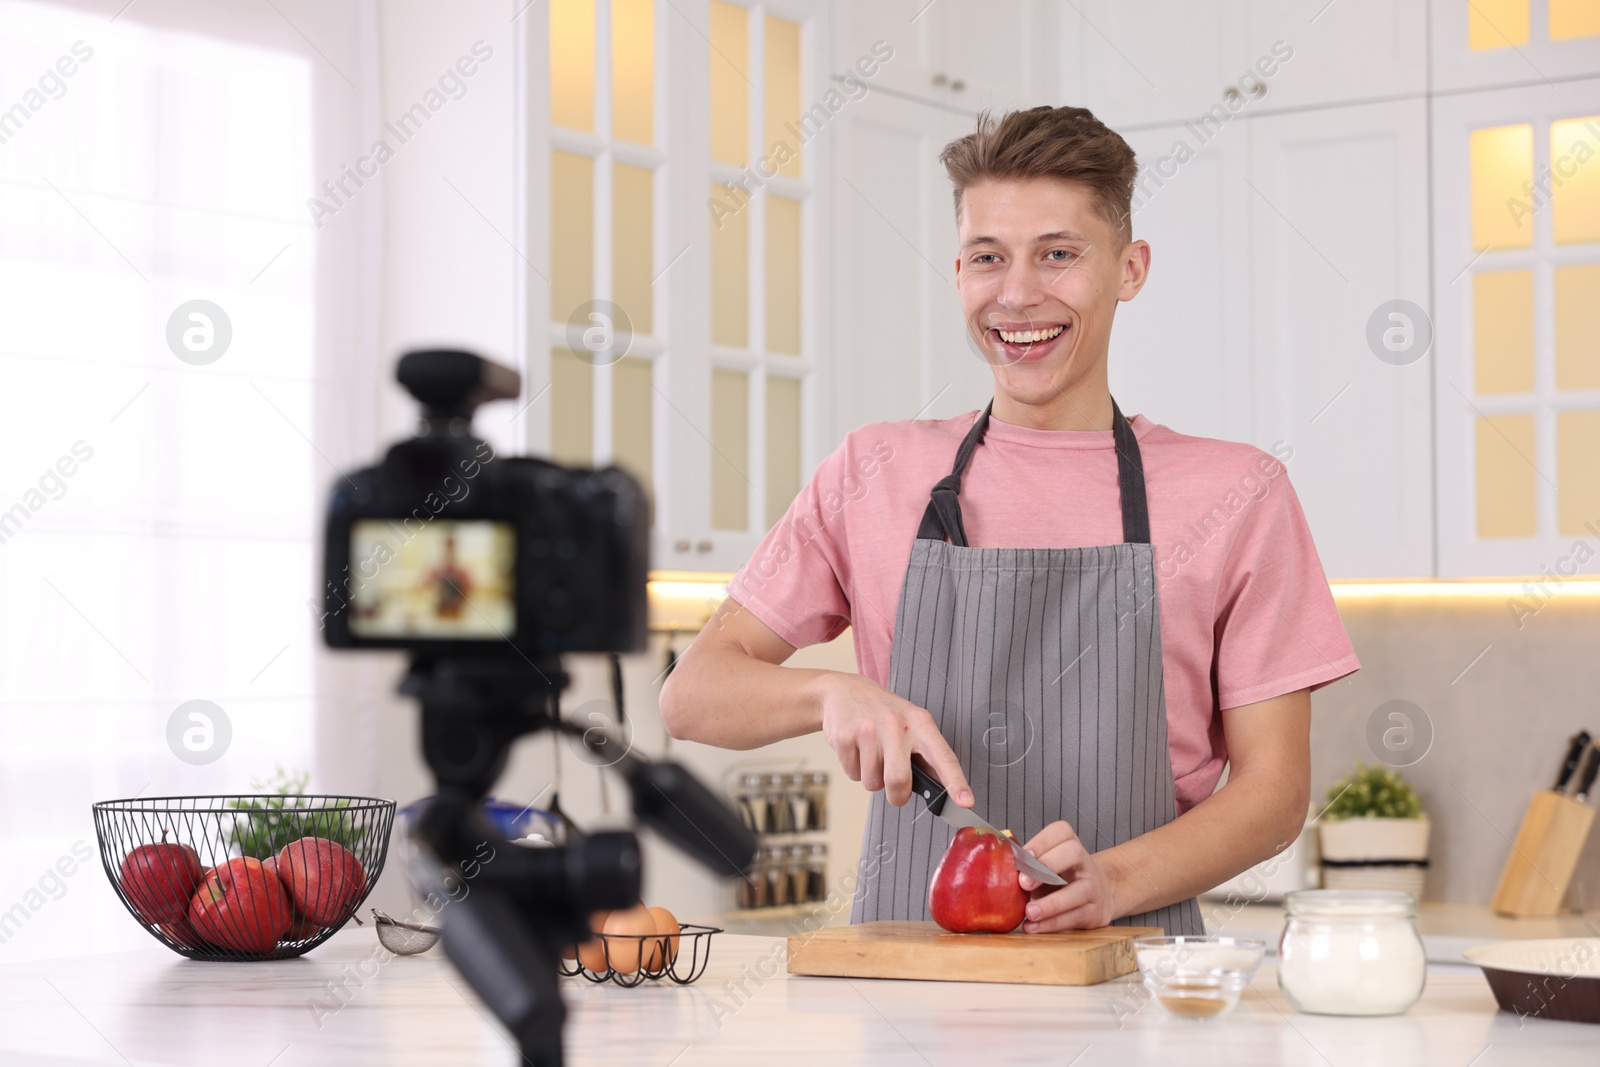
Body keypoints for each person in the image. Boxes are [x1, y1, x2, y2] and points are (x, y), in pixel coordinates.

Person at [660, 106, 1359, 936]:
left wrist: (1114, 879)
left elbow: (1275, 793)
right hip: (911, 975)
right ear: (959, 272)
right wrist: (828, 690)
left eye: (1059, 255)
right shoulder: (874, 470)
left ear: (1129, 269)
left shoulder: (1239, 492)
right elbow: (692, 695)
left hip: (1132, 976)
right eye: (989, 258)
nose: (1018, 293)